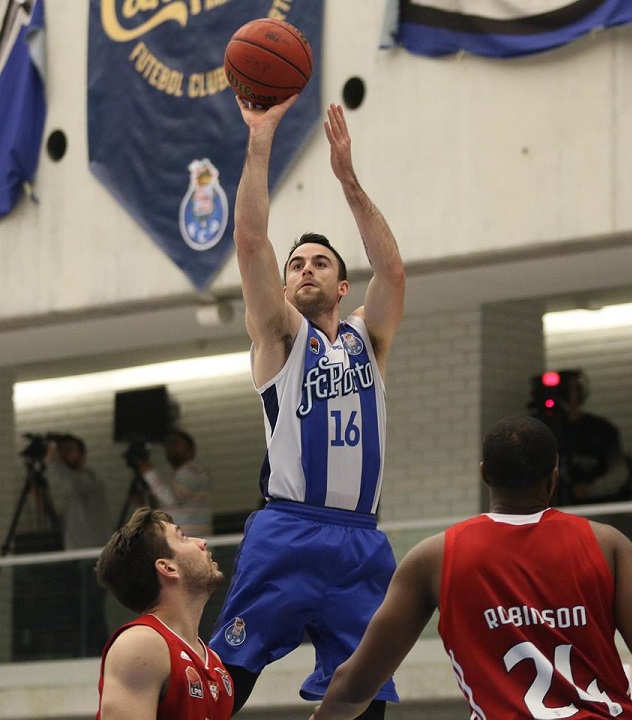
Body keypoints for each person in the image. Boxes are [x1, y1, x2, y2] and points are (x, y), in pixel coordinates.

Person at [208, 94, 405, 719]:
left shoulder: (369, 339)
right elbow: (249, 241)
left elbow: (393, 274)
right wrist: (260, 138)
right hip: (288, 529)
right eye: (296, 265)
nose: (305, 270)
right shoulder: (280, 336)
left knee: (365, 693)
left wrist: (349, 181)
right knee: (227, 677)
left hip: (360, 539)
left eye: (320, 262)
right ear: (286, 284)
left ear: (342, 286)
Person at [309, 415, 632, 720]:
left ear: (485, 473)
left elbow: (353, 686)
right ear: (554, 476)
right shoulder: (608, 545)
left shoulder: (433, 557)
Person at [95, 506, 233, 719]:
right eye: (183, 537)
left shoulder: (213, 660)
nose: (202, 542)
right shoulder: (140, 645)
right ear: (167, 567)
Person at [45, 433, 111, 655]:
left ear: (83, 455)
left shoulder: (91, 479)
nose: (64, 455)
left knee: (90, 611)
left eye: (70, 450)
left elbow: (74, 484)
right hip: (74, 558)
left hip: (92, 559)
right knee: (78, 611)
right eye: (61, 450)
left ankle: (98, 655)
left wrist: (52, 461)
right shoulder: (71, 488)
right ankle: (86, 653)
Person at [542, 369, 632, 505]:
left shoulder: (602, 429)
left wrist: (592, 489)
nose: (573, 393)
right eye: (569, 388)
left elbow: (618, 472)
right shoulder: (547, 432)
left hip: (598, 505)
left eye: (577, 388)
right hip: (560, 506)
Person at [136, 429, 213, 537]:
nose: (170, 447)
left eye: (175, 443)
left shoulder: (191, 471)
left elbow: (172, 499)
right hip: (187, 540)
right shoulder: (179, 475)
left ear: (191, 449)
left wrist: (148, 472)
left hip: (190, 540)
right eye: (168, 444)